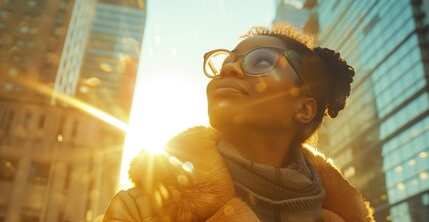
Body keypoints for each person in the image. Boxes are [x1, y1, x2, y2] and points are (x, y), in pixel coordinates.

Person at [102, 23, 374, 222]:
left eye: (261, 61)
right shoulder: (139, 210)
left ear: (303, 109)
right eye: (226, 62)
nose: (229, 69)